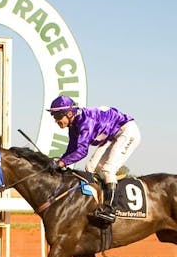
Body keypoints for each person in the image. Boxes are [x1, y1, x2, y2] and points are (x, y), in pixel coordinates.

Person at [47, 95, 141, 223]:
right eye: (54, 117)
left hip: (127, 131)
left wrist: (62, 163)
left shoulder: (86, 122)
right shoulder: (73, 125)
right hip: (112, 136)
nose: (56, 120)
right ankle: (98, 202)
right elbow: (72, 149)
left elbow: (82, 151)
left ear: (69, 113)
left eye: (58, 117)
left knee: (108, 170)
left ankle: (111, 209)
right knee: (90, 168)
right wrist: (60, 162)